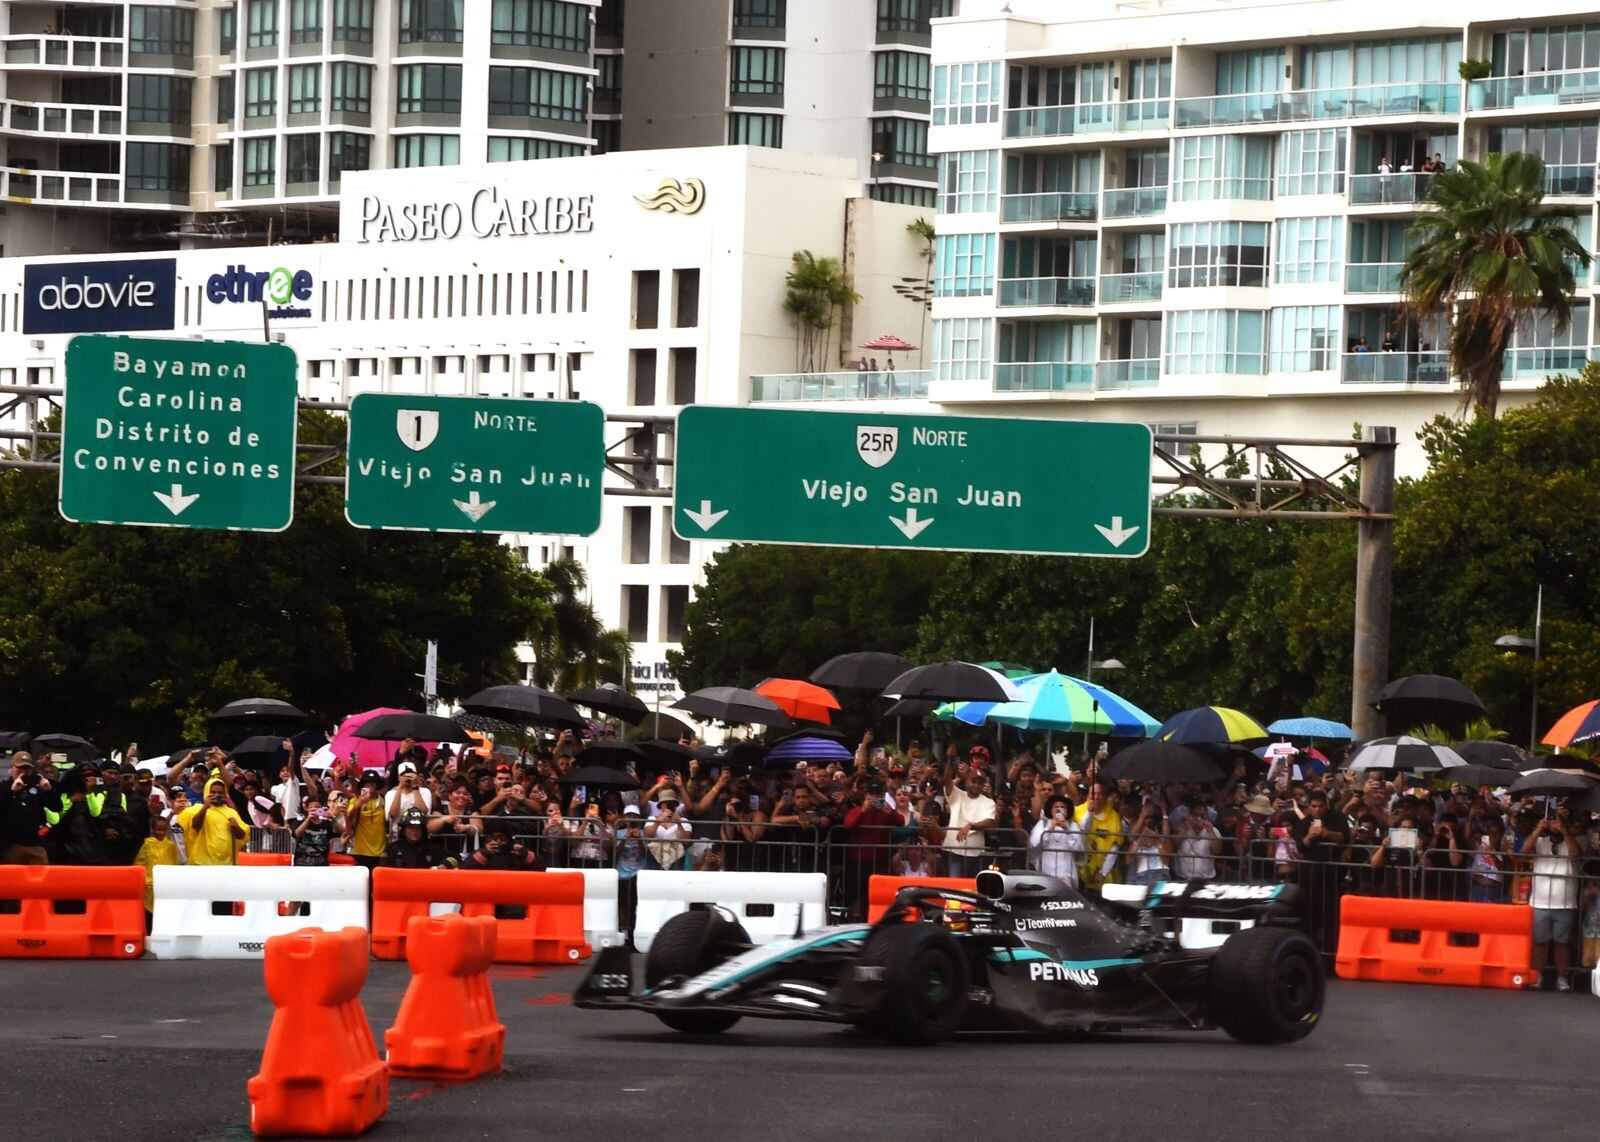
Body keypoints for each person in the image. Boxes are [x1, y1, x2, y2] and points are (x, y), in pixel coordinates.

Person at [1526, 808, 1580, 991]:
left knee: (1561, 943)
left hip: (1565, 903)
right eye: (1553, 821)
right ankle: (1537, 977)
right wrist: (1537, 830)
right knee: (1540, 942)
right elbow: (1524, 850)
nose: (1555, 824)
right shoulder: (1540, 841)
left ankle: (1561, 979)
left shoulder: (1571, 841)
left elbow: (1575, 853)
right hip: (1540, 901)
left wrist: (1564, 829)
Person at [941, 750, 996, 877]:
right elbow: (946, 780)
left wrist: (970, 826)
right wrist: (949, 760)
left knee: (974, 890)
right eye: (974, 781)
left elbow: (989, 821)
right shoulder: (957, 795)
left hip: (976, 854)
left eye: (980, 782)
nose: (977, 784)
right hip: (955, 852)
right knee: (955, 889)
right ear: (966, 781)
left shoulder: (988, 802)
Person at [174, 777, 248, 866]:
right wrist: (205, 808)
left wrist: (236, 827)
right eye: (213, 792)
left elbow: (242, 836)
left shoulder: (232, 812)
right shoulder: (195, 809)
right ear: (206, 792)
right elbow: (195, 826)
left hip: (226, 864)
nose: (217, 795)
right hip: (202, 864)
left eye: (220, 792)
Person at [1, 752, 53, 864]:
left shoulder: (38, 786)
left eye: (27, 768)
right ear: (12, 767)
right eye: (19, 768)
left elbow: (57, 807)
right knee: (12, 880)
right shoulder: (3, 787)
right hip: (11, 845)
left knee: (42, 879)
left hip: (36, 845)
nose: (23, 772)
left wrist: (49, 791)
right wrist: (11, 791)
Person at [133, 813, 181, 929]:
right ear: (152, 829)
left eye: (164, 830)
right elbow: (139, 864)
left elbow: (174, 863)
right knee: (148, 919)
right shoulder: (146, 844)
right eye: (158, 829)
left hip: (165, 887)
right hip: (149, 887)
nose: (161, 832)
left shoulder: (170, 846)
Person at [1074, 779, 1124, 891]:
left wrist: (1103, 872)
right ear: (1088, 795)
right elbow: (1080, 832)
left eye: (1100, 794)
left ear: (1105, 796)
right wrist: (1089, 812)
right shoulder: (1077, 811)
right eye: (1093, 794)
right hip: (1080, 868)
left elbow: (1114, 847)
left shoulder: (1114, 816)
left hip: (1103, 872)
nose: (1096, 797)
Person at [1029, 795, 1085, 886]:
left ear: (1067, 811)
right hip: (1045, 874)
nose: (1059, 809)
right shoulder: (1042, 824)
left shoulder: (1073, 826)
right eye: (1056, 807)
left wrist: (1067, 830)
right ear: (1051, 810)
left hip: (1067, 875)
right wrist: (1050, 828)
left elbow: (1078, 849)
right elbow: (1035, 844)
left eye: (1062, 807)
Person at [345, 771, 388, 870]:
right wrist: (357, 805)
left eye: (374, 782)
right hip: (360, 851)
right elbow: (348, 820)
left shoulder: (384, 801)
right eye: (367, 782)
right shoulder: (355, 800)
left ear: (378, 785)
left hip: (380, 851)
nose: (370, 784)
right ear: (363, 785)